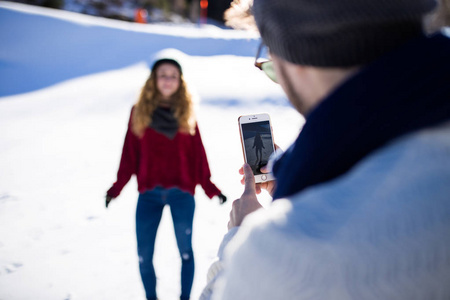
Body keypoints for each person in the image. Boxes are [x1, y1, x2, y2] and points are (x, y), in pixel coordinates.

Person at [200, 0, 450, 299]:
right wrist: (316, 189)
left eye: (271, 64)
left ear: (297, 58)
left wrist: (238, 245)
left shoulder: (289, 251)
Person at [105, 56, 227, 300]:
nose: (168, 80)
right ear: (154, 80)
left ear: (180, 81)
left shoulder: (187, 112)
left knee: (185, 253)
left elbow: (198, 155)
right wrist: (116, 189)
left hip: (182, 194)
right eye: (163, 74)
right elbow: (129, 154)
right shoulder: (139, 112)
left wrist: (211, 188)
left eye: (173, 75)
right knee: (144, 254)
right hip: (148, 195)